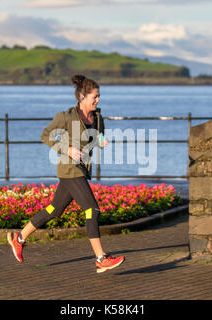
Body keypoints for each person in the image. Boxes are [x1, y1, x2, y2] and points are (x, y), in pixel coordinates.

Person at [7, 74, 125, 273]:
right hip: (69, 169)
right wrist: (67, 148)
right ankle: (101, 258)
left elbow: (98, 138)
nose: (98, 100)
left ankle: (19, 239)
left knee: (55, 210)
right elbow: (45, 135)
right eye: (94, 96)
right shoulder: (66, 116)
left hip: (82, 169)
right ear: (82, 97)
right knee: (92, 210)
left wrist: (101, 141)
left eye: (99, 96)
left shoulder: (97, 118)